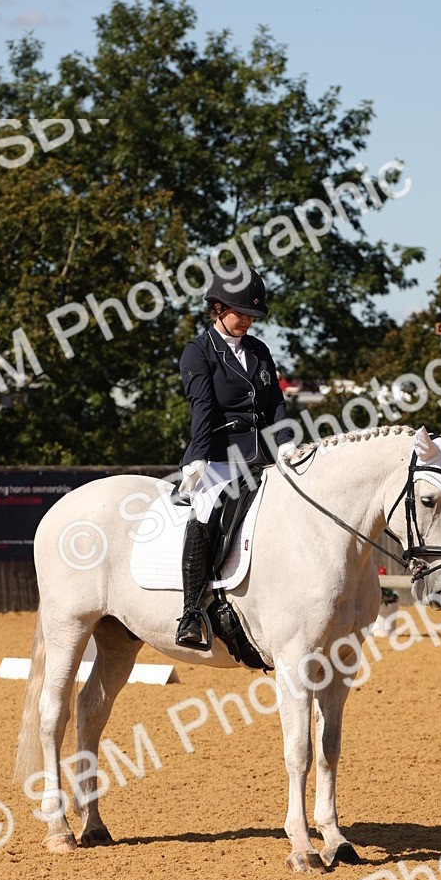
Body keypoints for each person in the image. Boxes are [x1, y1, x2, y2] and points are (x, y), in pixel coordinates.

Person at [175, 267, 296, 647]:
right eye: (239, 312)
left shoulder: (259, 350)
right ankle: (191, 612)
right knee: (206, 513)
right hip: (218, 457)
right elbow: (203, 408)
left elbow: (275, 402)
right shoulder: (198, 352)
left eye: (251, 315)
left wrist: (288, 441)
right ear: (217, 307)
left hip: (262, 456)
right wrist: (196, 458)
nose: (246, 320)